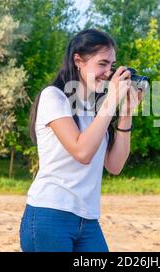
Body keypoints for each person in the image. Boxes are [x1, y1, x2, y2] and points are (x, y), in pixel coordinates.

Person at [19, 29, 143, 252]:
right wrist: (111, 101)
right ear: (78, 60)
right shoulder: (54, 97)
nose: (108, 73)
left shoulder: (95, 109)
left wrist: (126, 112)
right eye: (102, 64)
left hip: (87, 220)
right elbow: (81, 151)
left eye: (112, 66)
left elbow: (114, 166)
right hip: (50, 215)